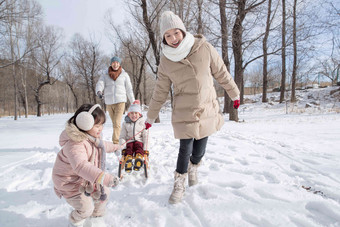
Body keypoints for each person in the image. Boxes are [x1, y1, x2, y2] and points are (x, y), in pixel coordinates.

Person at [145, 11, 240, 204]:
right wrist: (150, 117)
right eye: (168, 36)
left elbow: (221, 72)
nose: (173, 39)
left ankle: (194, 167)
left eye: (176, 33)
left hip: (206, 107)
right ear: (163, 38)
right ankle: (179, 182)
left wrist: (234, 93)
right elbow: (160, 91)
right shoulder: (165, 60)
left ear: (182, 31)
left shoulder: (203, 48)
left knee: (199, 151)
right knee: (185, 148)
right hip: (184, 109)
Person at [52, 104, 121, 227]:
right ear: (84, 123)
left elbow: (102, 145)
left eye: (102, 125)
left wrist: (117, 147)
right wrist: (104, 177)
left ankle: (96, 217)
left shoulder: (92, 137)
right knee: (85, 208)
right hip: (70, 183)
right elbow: (81, 166)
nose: (101, 128)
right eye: (97, 125)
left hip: (85, 179)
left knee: (105, 192)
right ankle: (75, 221)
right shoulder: (75, 144)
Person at [96, 56, 135, 144]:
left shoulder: (124, 75)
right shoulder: (105, 75)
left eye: (117, 62)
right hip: (109, 102)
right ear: (111, 64)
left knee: (117, 123)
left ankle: (116, 142)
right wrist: (99, 91)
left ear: (119, 64)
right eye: (113, 62)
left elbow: (129, 89)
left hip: (120, 101)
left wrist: (133, 101)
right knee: (115, 124)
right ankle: (122, 137)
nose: (115, 64)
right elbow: (100, 83)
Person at [119, 100, 148, 172]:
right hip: (129, 141)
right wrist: (123, 147)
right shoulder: (125, 124)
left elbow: (145, 137)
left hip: (139, 141)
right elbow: (122, 136)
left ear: (139, 114)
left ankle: (139, 158)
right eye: (131, 113)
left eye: (136, 113)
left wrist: (146, 149)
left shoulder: (143, 123)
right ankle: (128, 160)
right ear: (128, 114)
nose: (134, 115)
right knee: (129, 148)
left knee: (139, 146)